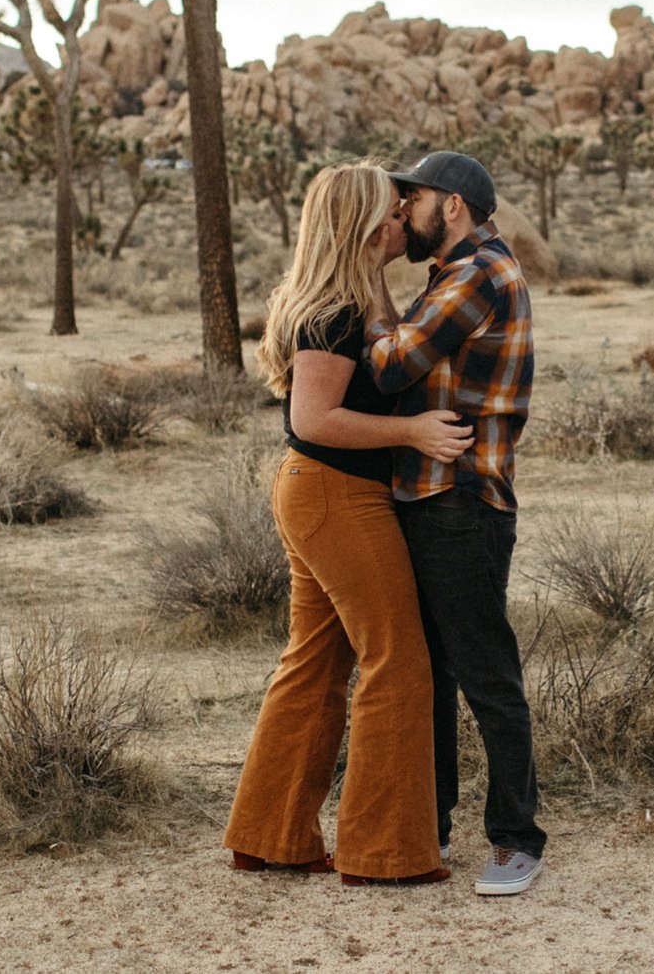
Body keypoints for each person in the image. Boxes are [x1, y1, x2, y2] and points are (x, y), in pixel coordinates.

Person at [222, 162, 472, 886]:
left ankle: (270, 835)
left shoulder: (351, 294)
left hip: (316, 492)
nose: (405, 223)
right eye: (394, 213)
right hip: (336, 494)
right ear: (366, 226)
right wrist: (415, 432)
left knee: (317, 661)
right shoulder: (332, 307)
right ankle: (385, 852)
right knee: (398, 657)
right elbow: (314, 418)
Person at [367, 149, 545, 897]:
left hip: (460, 501)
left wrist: (367, 275)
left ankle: (516, 838)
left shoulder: (477, 274)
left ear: (456, 206)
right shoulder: (454, 274)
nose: (402, 211)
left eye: (413, 198)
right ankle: (431, 823)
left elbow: (390, 367)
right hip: (435, 496)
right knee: (436, 670)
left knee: (482, 671)